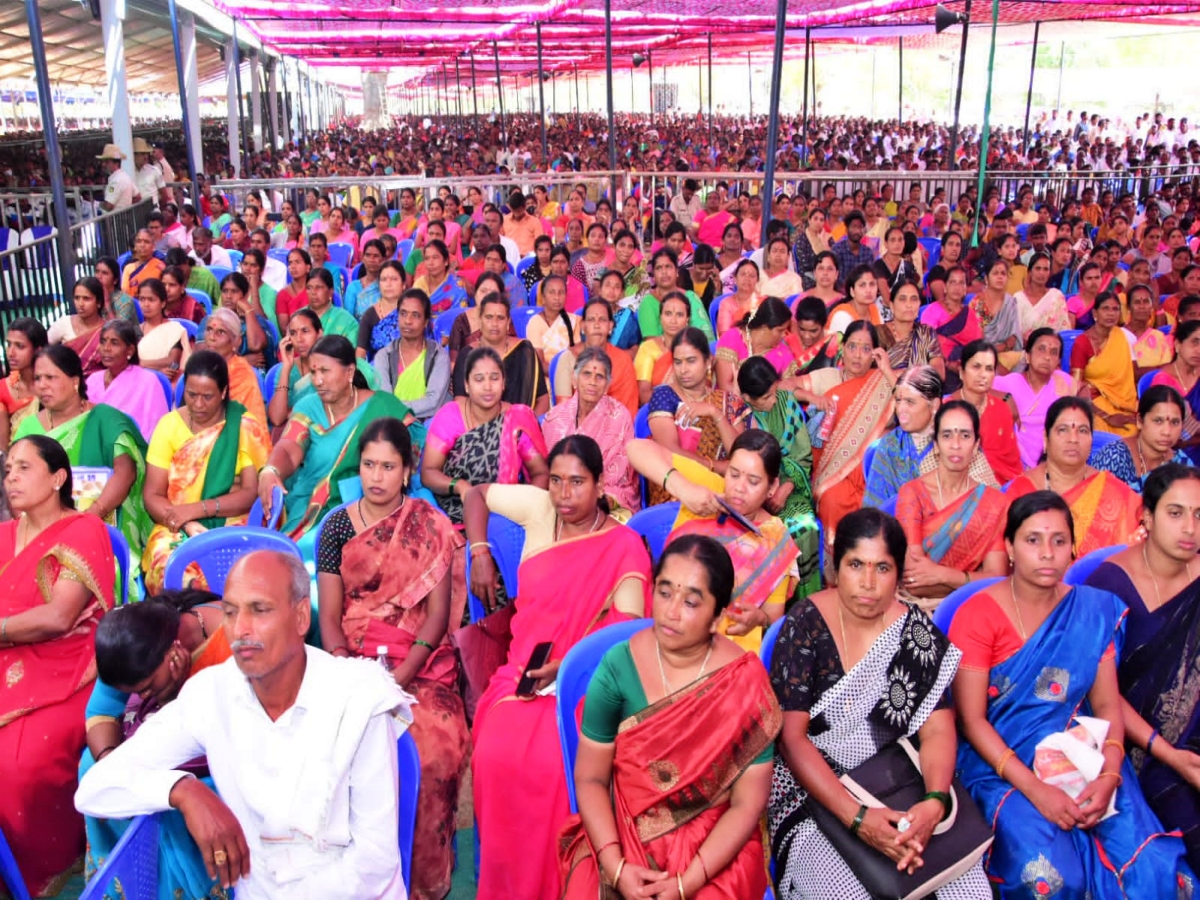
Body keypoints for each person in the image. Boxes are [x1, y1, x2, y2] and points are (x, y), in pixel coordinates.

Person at [75, 551, 414, 900]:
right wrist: (184, 791)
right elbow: (94, 788)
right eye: (231, 612)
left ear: (300, 617)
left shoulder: (359, 700)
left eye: (260, 609)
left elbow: (374, 866)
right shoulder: (212, 694)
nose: (241, 629)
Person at [951, 491, 1193, 899]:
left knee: (1157, 873)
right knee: (1052, 879)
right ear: (1009, 546)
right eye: (1033, 540)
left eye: (1059, 541)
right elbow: (972, 721)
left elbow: (1105, 705)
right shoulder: (978, 614)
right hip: (1000, 765)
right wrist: (1035, 790)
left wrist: (1111, 776)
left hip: (1083, 756)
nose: (1047, 553)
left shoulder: (1093, 610)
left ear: (1073, 550)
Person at [464, 436, 653, 900]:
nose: (565, 495)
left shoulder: (623, 545)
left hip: (586, 680)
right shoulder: (539, 510)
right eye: (557, 482)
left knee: (554, 763)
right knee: (493, 754)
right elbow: (475, 494)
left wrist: (567, 666)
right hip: (522, 672)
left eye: (578, 483)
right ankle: (506, 881)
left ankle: (558, 881)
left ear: (600, 483)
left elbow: (624, 635)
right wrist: (480, 551)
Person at [768, 507, 991, 900]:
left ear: (898, 572)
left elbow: (937, 727)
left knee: (970, 893)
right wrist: (858, 818)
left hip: (898, 782)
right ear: (836, 567)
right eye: (856, 565)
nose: (868, 583)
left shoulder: (915, 634)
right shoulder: (805, 625)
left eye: (882, 568)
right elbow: (791, 739)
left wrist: (935, 801)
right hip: (814, 794)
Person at [558, 533, 781, 900]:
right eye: (664, 592)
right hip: (624, 829)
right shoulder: (617, 668)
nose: (671, 611)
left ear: (717, 617)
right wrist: (616, 868)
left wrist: (688, 881)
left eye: (691, 601)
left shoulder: (745, 682)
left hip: (713, 845)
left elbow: (746, 804)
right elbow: (590, 778)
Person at [316, 419, 468, 900]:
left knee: (435, 747)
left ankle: (423, 878)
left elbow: (437, 616)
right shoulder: (337, 525)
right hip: (353, 662)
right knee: (335, 752)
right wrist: (350, 669)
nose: (376, 476)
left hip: (418, 666)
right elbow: (332, 617)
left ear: (406, 472)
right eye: (368, 465)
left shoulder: (430, 525)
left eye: (388, 466)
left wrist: (399, 677)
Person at [0, 435, 115, 894]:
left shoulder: (82, 529)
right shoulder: (3, 535)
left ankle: (35, 873)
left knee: (19, 767)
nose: (11, 478)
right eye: (8, 469)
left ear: (58, 478)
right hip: (9, 654)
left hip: (67, 667)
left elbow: (59, 616)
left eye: (25, 468)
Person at [81, 590, 229, 899]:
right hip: (161, 741)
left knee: (177, 796)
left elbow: (228, 731)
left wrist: (175, 702)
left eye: (147, 688)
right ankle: (128, 879)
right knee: (89, 763)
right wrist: (114, 764)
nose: (143, 696)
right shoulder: (136, 643)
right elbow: (100, 712)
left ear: (173, 650)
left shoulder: (228, 642)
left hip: (224, 753)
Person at [1087, 465, 1200, 872]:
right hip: (1128, 748)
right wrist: (1171, 755)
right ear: (1147, 518)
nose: (1190, 527)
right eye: (1176, 512)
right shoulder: (1106, 586)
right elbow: (1099, 693)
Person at [628, 431, 801, 650]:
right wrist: (683, 488)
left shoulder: (775, 540)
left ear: (772, 487)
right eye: (734, 474)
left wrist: (758, 619)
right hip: (667, 625)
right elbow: (636, 448)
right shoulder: (709, 490)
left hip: (727, 648)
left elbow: (772, 618)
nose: (739, 487)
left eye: (753, 481)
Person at [141, 351, 272, 593]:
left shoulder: (242, 426)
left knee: (242, 576)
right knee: (170, 568)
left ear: (223, 393)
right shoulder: (169, 426)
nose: (198, 404)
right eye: (191, 395)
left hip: (234, 521)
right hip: (176, 523)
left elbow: (250, 493)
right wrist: (187, 522)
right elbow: (152, 496)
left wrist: (197, 509)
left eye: (208, 396)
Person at [258, 335, 413, 539]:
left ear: (349, 372)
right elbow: (288, 448)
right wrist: (271, 469)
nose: (317, 380)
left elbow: (414, 452)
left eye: (324, 371)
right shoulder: (308, 406)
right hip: (309, 510)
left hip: (371, 509)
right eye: (313, 372)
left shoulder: (383, 407)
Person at [14, 345, 152, 563]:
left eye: (51, 377)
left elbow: (126, 473)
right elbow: (16, 482)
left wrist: (91, 516)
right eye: (38, 378)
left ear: (75, 381)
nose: (42, 386)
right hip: (40, 529)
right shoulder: (29, 427)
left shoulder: (105, 420)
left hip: (99, 523)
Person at [894, 400, 1010, 607]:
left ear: (976, 446)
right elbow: (914, 581)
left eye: (965, 436)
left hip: (971, 607)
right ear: (936, 445)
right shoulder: (913, 494)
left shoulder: (994, 504)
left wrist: (941, 574)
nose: (956, 445)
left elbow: (996, 579)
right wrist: (969, 579)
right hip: (916, 608)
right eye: (947, 435)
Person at [422, 346, 549, 525]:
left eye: (494, 378)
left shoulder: (517, 419)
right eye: (479, 379)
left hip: (507, 514)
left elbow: (541, 472)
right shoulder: (450, 416)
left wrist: (524, 507)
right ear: (466, 385)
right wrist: (460, 486)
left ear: (503, 383)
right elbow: (428, 472)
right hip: (454, 511)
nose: (488, 387)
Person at [1006, 397, 1143, 557]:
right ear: (1045, 438)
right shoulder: (1023, 490)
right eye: (1063, 430)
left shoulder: (1111, 490)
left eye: (1082, 430)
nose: (1073, 439)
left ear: (1092, 439)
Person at [801, 321, 896, 540]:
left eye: (866, 349)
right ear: (843, 348)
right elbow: (783, 386)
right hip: (834, 472)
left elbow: (912, 403)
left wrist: (887, 371)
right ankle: (836, 568)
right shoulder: (828, 377)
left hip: (873, 470)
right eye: (852, 346)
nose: (858, 355)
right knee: (831, 499)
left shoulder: (882, 381)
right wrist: (813, 397)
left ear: (875, 353)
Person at [735, 356, 821, 595]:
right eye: (765, 398)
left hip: (791, 490)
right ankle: (771, 603)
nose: (773, 401)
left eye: (774, 392)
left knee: (803, 528)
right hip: (752, 498)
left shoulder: (787, 402)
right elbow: (741, 470)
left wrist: (785, 487)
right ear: (747, 399)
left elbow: (803, 456)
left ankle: (805, 599)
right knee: (760, 540)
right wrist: (764, 493)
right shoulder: (742, 418)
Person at [645, 328, 744, 504]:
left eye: (691, 361)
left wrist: (714, 413)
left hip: (721, 489)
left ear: (708, 362)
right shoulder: (664, 396)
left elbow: (739, 454)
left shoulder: (727, 401)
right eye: (677, 362)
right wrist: (716, 466)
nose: (683, 370)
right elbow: (670, 454)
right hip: (676, 488)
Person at [542, 347, 640, 514]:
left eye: (599, 377)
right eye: (586, 374)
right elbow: (545, 469)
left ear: (608, 384)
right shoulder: (555, 418)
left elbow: (621, 476)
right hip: (559, 495)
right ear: (574, 379)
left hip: (604, 497)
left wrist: (587, 494)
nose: (592, 382)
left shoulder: (619, 417)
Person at [449, 293, 549, 413]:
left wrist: (526, 424)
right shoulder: (467, 354)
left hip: (521, 426)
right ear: (480, 321)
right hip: (478, 427)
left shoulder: (524, 350)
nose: (494, 323)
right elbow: (460, 402)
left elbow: (543, 400)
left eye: (500, 318)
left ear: (508, 323)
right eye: (489, 317)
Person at [994, 329, 1078, 469]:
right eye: (1041, 349)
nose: (1047, 357)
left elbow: (1082, 389)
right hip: (1013, 462)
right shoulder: (1009, 383)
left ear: (1058, 361)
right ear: (1027, 356)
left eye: (1053, 352)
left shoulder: (1061, 381)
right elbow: (973, 390)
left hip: (1053, 461)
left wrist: (1080, 405)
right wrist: (1005, 397)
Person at [1090, 384, 1190, 492]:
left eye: (1175, 422)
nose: (1167, 432)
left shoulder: (1181, 464)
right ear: (1140, 421)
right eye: (1158, 421)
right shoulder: (1114, 458)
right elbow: (1096, 505)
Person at [948, 340, 1023, 484]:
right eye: (976, 367)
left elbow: (1012, 462)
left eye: (989, 369)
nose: (983, 375)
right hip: (959, 486)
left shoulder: (1001, 409)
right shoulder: (947, 410)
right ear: (961, 372)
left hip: (1001, 486)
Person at [552, 292, 639, 415]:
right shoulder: (568, 359)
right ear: (583, 326)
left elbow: (628, 412)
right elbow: (563, 412)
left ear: (610, 326)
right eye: (591, 320)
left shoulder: (623, 361)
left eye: (602, 320)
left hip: (615, 429)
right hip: (575, 428)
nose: (597, 325)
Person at [372, 288, 451, 421]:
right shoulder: (384, 356)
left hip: (428, 425)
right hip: (391, 423)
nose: (408, 321)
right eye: (403, 313)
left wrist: (398, 409)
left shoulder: (438, 357)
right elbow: (385, 401)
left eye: (415, 315)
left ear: (426, 322)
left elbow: (433, 403)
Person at [85, 319, 169, 439]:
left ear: (130, 350)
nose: (106, 348)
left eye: (114, 343)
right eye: (103, 341)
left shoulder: (148, 382)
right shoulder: (93, 380)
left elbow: (156, 430)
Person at [1070, 290, 1139, 436]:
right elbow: (1075, 386)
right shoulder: (1082, 343)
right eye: (1105, 308)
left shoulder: (1122, 336)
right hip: (1093, 402)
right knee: (1101, 430)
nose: (1111, 313)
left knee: (1135, 431)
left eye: (1115, 309)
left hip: (1124, 403)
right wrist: (1107, 416)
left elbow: (1129, 376)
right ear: (1095, 313)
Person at [199, 307, 268, 426]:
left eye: (220, 332)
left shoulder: (242, 374)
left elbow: (238, 421)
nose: (211, 337)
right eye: (209, 329)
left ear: (236, 342)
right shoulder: (200, 367)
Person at [714, 296, 797, 394]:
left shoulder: (782, 352)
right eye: (780, 330)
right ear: (764, 328)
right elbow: (725, 385)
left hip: (769, 406)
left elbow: (790, 389)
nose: (784, 335)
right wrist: (756, 401)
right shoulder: (733, 338)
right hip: (730, 404)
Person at [637, 249, 714, 342]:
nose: (664, 272)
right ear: (653, 274)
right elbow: (651, 342)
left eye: (668, 267)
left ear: (676, 270)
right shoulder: (648, 302)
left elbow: (705, 336)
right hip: (659, 354)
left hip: (692, 351)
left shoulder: (690, 298)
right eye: (659, 268)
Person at [877, 280, 945, 378]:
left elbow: (939, 371)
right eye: (902, 299)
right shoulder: (879, 334)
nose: (909, 305)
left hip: (921, 391)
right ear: (892, 306)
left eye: (914, 299)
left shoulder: (926, 333)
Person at [634, 290, 691, 405]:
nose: (673, 321)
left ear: (687, 320)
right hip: (657, 409)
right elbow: (644, 396)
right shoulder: (648, 348)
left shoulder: (695, 349)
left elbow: (704, 390)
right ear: (660, 318)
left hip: (693, 411)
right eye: (668, 314)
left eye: (679, 315)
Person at [0, 317, 47, 449]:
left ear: (38, 350)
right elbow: (2, 450)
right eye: (9, 344)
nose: (11, 353)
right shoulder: (3, 389)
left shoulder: (54, 384)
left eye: (19, 346)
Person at [48, 276, 108, 376]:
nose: (80, 304)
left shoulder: (108, 330)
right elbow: (43, 349)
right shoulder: (64, 323)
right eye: (77, 298)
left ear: (98, 303)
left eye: (86, 299)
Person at [138, 277, 192, 382]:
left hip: (167, 383)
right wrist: (157, 371)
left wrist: (142, 363)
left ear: (163, 303)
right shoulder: (134, 331)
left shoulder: (174, 330)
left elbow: (172, 361)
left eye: (151, 299)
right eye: (142, 299)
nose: (146, 304)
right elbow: (128, 363)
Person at [526, 275, 580, 369]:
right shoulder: (535, 323)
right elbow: (539, 364)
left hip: (571, 376)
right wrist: (561, 374)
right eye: (552, 292)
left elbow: (578, 358)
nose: (557, 297)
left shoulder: (575, 321)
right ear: (543, 297)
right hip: (545, 379)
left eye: (561, 292)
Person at [357, 260, 404, 363]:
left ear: (404, 284)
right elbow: (361, 352)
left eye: (394, 279)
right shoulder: (369, 315)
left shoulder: (412, 312)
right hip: (378, 371)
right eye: (384, 279)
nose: (388, 284)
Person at [1015, 251, 1071, 339]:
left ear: (1049, 273)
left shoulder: (1056, 296)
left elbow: (1064, 330)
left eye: (1045, 269)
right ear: (1030, 272)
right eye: (1038, 268)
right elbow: (1015, 335)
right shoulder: (1018, 298)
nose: (1041, 273)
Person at [1125, 283, 1173, 373]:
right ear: (1128, 307)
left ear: (1152, 306)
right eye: (1137, 302)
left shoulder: (1158, 336)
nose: (1142, 306)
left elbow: (1167, 369)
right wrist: (1156, 369)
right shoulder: (1120, 335)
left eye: (1146, 301)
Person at [828, 264, 883, 334]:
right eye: (862, 285)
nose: (868, 290)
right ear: (852, 291)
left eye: (872, 284)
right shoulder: (842, 316)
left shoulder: (874, 310)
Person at [714, 259, 762, 337]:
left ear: (757, 280)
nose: (747, 279)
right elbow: (725, 335)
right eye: (743, 274)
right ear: (735, 278)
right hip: (733, 346)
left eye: (752, 276)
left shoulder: (764, 303)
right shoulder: (726, 304)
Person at [345, 239, 386, 318]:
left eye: (376, 256)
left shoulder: (386, 286)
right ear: (363, 258)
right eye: (368, 255)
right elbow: (348, 319)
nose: (371, 260)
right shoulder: (353, 287)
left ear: (383, 260)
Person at [121, 229, 166, 296]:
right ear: (135, 246)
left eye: (146, 242)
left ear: (153, 246)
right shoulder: (128, 268)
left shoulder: (159, 266)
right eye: (139, 241)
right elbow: (124, 293)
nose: (142, 245)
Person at [760, 236, 805, 300]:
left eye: (782, 251)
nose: (778, 254)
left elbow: (794, 303)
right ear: (768, 257)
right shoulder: (758, 275)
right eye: (774, 251)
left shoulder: (794, 279)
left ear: (788, 257)